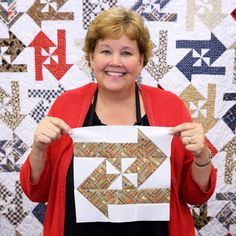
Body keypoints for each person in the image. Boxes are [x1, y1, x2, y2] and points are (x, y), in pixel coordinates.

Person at [20, 6, 216, 236]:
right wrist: (38, 150)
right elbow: (37, 193)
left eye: (126, 53)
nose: (115, 61)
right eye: (105, 51)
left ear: (141, 60)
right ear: (91, 58)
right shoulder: (66, 105)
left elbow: (195, 196)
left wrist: (202, 157)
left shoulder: (170, 107)